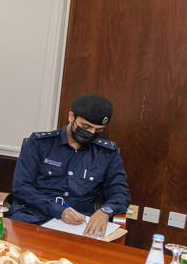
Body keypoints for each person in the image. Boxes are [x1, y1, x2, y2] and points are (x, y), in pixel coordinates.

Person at [10, 94, 130, 238]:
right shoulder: (39, 143)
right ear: (71, 116)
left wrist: (105, 211)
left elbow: (120, 193)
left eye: (98, 130)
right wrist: (59, 211)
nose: (91, 133)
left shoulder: (107, 153)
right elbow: (21, 187)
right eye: (86, 126)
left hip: (79, 226)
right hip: (35, 217)